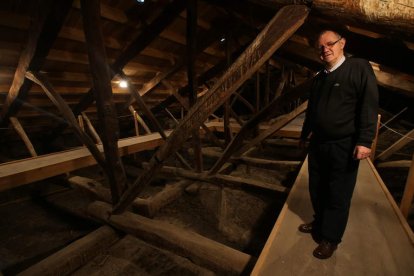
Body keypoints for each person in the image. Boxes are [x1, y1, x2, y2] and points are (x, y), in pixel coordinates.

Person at [299, 29, 379, 259]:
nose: (325, 49)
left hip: (344, 144)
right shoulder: (320, 77)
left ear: (342, 43)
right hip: (319, 144)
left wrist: (364, 140)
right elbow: (312, 111)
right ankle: (319, 224)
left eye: (330, 43)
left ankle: (330, 238)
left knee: (338, 192)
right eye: (321, 47)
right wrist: (304, 135)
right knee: (317, 187)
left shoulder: (358, 67)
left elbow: (369, 103)